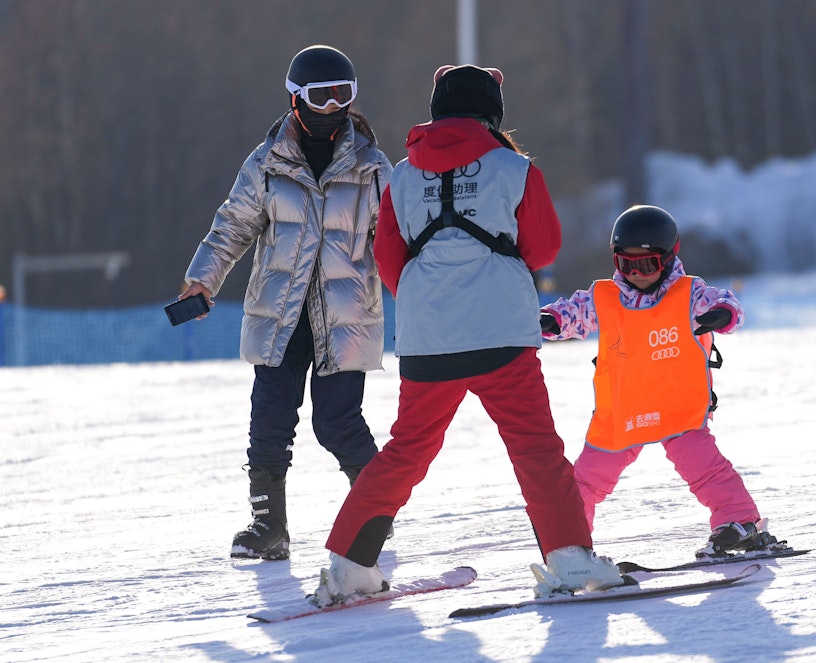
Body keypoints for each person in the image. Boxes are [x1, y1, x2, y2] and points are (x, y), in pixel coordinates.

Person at [308, 64, 625, 607]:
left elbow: (388, 262)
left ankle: (348, 566)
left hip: (428, 338)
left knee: (407, 451)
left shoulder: (403, 176)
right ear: (491, 111)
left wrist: (432, 300)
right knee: (535, 449)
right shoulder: (516, 168)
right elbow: (544, 248)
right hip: (502, 332)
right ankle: (569, 559)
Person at [179, 45, 392, 561]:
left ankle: (375, 516)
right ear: (295, 99)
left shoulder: (372, 168)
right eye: (320, 97)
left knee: (338, 423)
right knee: (270, 420)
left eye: (344, 95)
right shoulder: (267, 163)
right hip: (281, 315)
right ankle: (268, 526)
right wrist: (202, 280)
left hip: (345, 316)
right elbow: (233, 226)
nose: (333, 108)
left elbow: (398, 241)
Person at [540, 205, 786, 558]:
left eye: (647, 264)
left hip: (678, 409)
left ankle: (739, 522)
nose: (636, 273)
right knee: (586, 480)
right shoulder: (603, 298)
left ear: (669, 258)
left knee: (704, 468)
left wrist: (722, 314)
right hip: (623, 410)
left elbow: (727, 301)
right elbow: (571, 313)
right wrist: (549, 321)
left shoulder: (688, 295)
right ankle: (569, 543)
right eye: (627, 264)